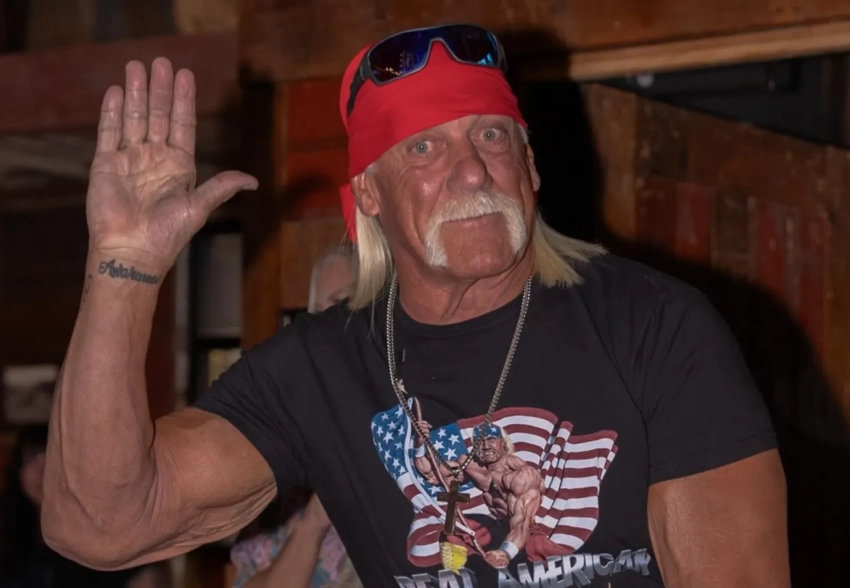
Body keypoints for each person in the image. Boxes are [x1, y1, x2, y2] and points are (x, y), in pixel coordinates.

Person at [40, 23, 790, 588]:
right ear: (368, 192)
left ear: (529, 165)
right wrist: (124, 265)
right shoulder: (321, 371)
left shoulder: (654, 327)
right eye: (423, 149)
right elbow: (99, 526)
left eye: (490, 135)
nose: (472, 170)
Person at [230, 245, 361, 588]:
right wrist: (314, 522)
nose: (326, 326)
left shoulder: (414, 428)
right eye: (317, 311)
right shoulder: (280, 436)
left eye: (343, 306)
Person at [0, 425, 165, 588]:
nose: (42, 469)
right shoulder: (8, 530)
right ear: (19, 473)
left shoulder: (104, 527)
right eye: (31, 457)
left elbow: (144, 578)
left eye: (51, 454)